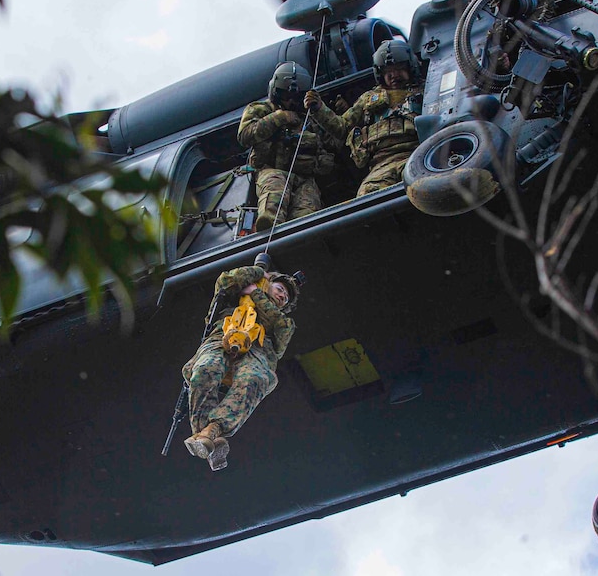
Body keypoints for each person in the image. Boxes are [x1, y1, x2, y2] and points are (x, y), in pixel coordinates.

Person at [181, 263, 300, 471]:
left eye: (286, 298)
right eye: (280, 289)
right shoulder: (230, 301)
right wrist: (258, 273)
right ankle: (209, 438)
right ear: (267, 284)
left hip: (258, 352)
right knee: (204, 370)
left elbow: (280, 326)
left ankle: (212, 430)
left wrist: (256, 295)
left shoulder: (283, 322)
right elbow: (225, 281)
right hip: (221, 339)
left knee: (253, 379)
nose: (282, 296)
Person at [305, 39, 424, 197]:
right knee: (367, 196)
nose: (394, 75)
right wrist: (318, 108)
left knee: (424, 185)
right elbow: (342, 127)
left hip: (417, 153)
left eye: (399, 68)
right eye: (388, 72)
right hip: (382, 162)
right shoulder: (369, 98)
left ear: (411, 67)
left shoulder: (425, 90)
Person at [238, 62, 335, 231]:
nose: (290, 102)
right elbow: (245, 135)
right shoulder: (260, 109)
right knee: (275, 190)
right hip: (272, 170)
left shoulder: (310, 118)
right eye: (285, 96)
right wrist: (279, 118)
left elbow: (332, 142)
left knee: (308, 211)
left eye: (295, 98)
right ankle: (269, 226)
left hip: (305, 177)